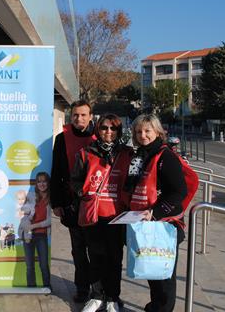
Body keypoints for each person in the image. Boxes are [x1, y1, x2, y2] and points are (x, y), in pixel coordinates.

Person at [124, 114, 188, 312]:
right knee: (152, 270)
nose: (143, 135)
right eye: (138, 131)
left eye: (147, 131)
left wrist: (156, 212)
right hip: (146, 222)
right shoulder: (141, 155)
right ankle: (155, 306)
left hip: (165, 223)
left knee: (164, 274)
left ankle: (163, 308)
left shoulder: (166, 156)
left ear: (157, 132)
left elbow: (179, 191)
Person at [71, 114, 132, 312]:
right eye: (104, 128)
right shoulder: (86, 152)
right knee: (95, 257)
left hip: (118, 215)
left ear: (119, 131)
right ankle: (97, 295)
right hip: (94, 214)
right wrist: (83, 192)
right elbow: (75, 180)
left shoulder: (127, 154)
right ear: (98, 129)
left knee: (115, 258)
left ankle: (113, 296)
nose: (108, 132)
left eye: (113, 128)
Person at [50, 100, 96, 302]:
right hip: (71, 204)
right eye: (76, 115)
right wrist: (57, 203)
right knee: (78, 250)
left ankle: (99, 291)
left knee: (96, 251)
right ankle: (82, 289)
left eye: (83, 115)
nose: (79, 118)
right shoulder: (62, 139)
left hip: (97, 206)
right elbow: (57, 172)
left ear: (91, 116)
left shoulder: (100, 136)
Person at [23, 172, 52, 288]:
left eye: (44, 181)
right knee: (29, 266)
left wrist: (34, 226)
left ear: (48, 183)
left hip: (41, 235)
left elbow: (49, 221)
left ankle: (47, 287)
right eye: (39, 181)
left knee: (44, 265)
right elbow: (24, 213)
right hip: (28, 235)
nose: (42, 184)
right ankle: (31, 288)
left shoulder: (50, 198)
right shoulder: (31, 196)